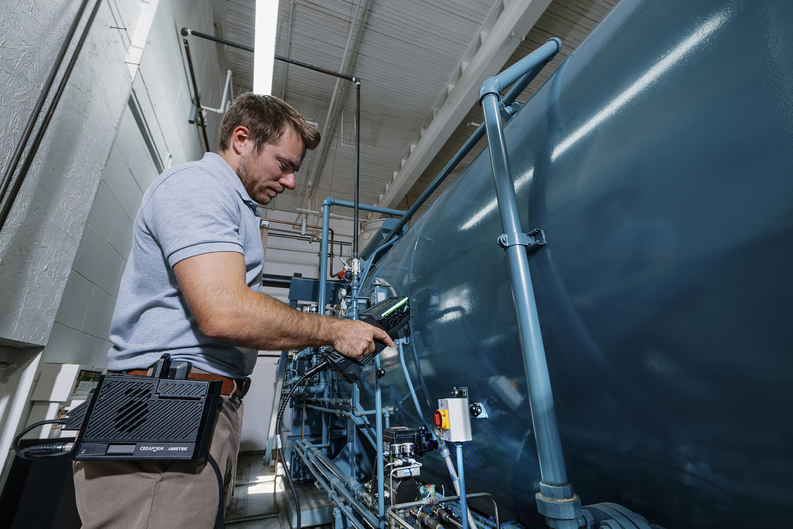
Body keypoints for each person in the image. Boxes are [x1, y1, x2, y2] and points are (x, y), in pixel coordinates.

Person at [72, 93, 393, 529]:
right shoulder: (198, 187)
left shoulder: (233, 206)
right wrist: (334, 329)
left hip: (193, 410)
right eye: (285, 164)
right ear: (242, 140)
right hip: (167, 410)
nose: (291, 182)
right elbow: (223, 310)